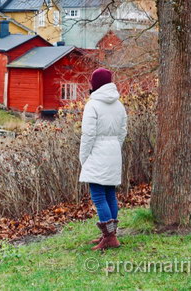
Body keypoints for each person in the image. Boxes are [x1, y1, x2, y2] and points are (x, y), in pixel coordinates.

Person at [79, 68, 128, 250]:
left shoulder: (92, 105)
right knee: (109, 194)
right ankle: (110, 234)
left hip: (96, 152)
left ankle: (109, 237)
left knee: (99, 196)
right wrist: (115, 147)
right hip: (114, 152)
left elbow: (88, 134)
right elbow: (123, 132)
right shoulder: (119, 105)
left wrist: (84, 158)